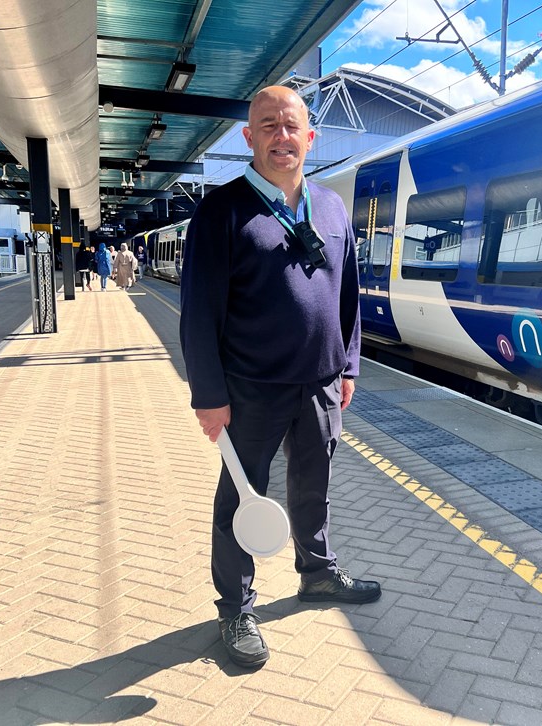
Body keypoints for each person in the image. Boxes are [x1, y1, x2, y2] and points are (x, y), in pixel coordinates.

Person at [180, 85, 379, 670]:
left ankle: (316, 574)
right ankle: (236, 607)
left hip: (319, 386)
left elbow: (348, 296)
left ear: (309, 137)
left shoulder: (333, 208)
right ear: (249, 137)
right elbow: (198, 313)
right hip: (248, 391)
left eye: (291, 126)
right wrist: (209, 396)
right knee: (240, 499)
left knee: (313, 486)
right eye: (268, 126)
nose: (281, 137)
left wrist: (348, 365)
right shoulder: (222, 211)